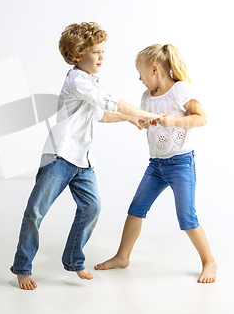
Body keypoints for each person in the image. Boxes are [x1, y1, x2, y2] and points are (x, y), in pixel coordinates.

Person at [11, 23, 162, 290]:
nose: (102, 57)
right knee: (36, 211)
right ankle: (23, 267)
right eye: (96, 52)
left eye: (103, 51)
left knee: (92, 208)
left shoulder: (90, 82)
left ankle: (73, 259)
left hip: (82, 162)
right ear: (78, 55)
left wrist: (129, 120)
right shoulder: (77, 80)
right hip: (60, 156)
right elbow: (107, 101)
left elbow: (99, 114)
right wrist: (145, 114)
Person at [95, 43, 217, 284]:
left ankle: (209, 261)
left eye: (140, 72)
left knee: (187, 218)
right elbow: (147, 122)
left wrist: (173, 120)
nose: (138, 78)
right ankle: (122, 256)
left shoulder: (180, 90)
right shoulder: (146, 97)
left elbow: (202, 118)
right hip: (156, 165)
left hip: (181, 164)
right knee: (136, 209)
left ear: (154, 69)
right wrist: (142, 123)